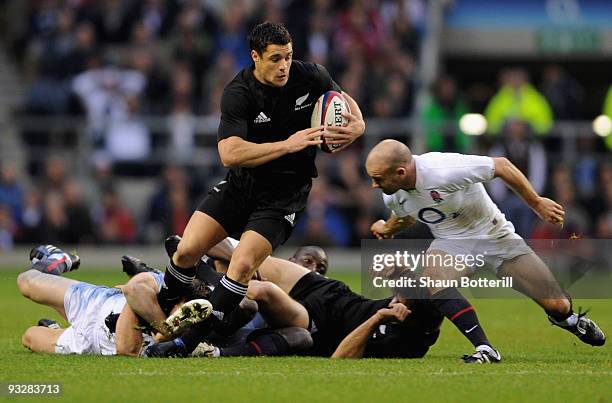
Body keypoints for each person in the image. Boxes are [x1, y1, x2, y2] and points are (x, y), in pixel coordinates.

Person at [158, 21, 365, 335]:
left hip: (284, 196)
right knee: (186, 251)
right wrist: (287, 144)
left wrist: (358, 126)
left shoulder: (312, 75)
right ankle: (159, 314)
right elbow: (229, 153)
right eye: (275, 59)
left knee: (241, 265)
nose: (284, 66)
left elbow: (346, 103)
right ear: (255, 56)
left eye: (288, 56)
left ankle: (195, 339)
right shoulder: (238, 92)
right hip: (242, 185)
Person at [365, 139, 606, 363]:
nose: (374, 184)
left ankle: (573, 322)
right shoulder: (393, 195)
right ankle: (485, 349)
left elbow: (501, 166)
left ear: (400, 173)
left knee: (558, 306)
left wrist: (536, 203)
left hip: (496, 238)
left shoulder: (443, 169)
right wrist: (387, 228)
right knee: (434, 280)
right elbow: (406, 216)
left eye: (378, 178)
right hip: (452, 243)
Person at [147, 238, 442, 359]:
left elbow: (342, 357)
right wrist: (398, 270)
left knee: (262, 292)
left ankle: (204, 283)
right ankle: (192, 252)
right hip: (331, 292)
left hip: (317, 322)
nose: (394, 297)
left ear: (410, 311)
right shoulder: (415, 300)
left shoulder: (402, 344)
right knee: (244, 252)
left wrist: (377, 318)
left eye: (401, 296)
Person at [17, 245, 210, 357]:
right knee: (26, 282)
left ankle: (54, 328)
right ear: (182, 299)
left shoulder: (183, 338)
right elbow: (133, 290)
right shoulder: (163, 284)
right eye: (182, 308)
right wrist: (165, 328)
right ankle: (59, 259)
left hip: (88, 344)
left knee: (29, 337)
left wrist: (163, 336)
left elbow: (125, 349)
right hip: (94, 303)